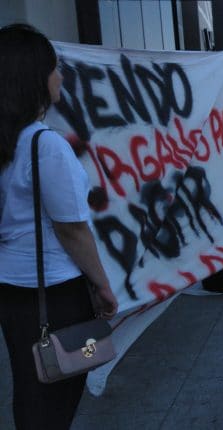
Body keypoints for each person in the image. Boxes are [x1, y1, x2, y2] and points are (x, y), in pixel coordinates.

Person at [0, 23, 118, 429]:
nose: (61, 76)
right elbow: (73, 230)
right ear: (35, 78)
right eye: (55, 69)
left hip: (14, 294)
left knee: (31, 383)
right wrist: (102, 285)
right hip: (57, 295)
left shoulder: (8, 143)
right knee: (68, 373)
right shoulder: (44, 145)